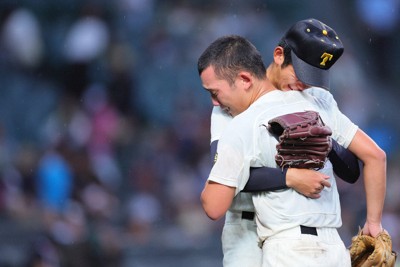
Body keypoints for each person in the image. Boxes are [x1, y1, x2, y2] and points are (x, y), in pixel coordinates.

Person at [198, 35, 386, 266]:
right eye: (300, 73)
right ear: (278, 56)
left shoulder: (314, 101)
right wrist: (289, 177)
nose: (304, 84)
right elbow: (225, 181)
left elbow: (354, 168)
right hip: (254, 228)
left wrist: (325, 140)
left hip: (289, 241)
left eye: (312, 78)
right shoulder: (228, 107)